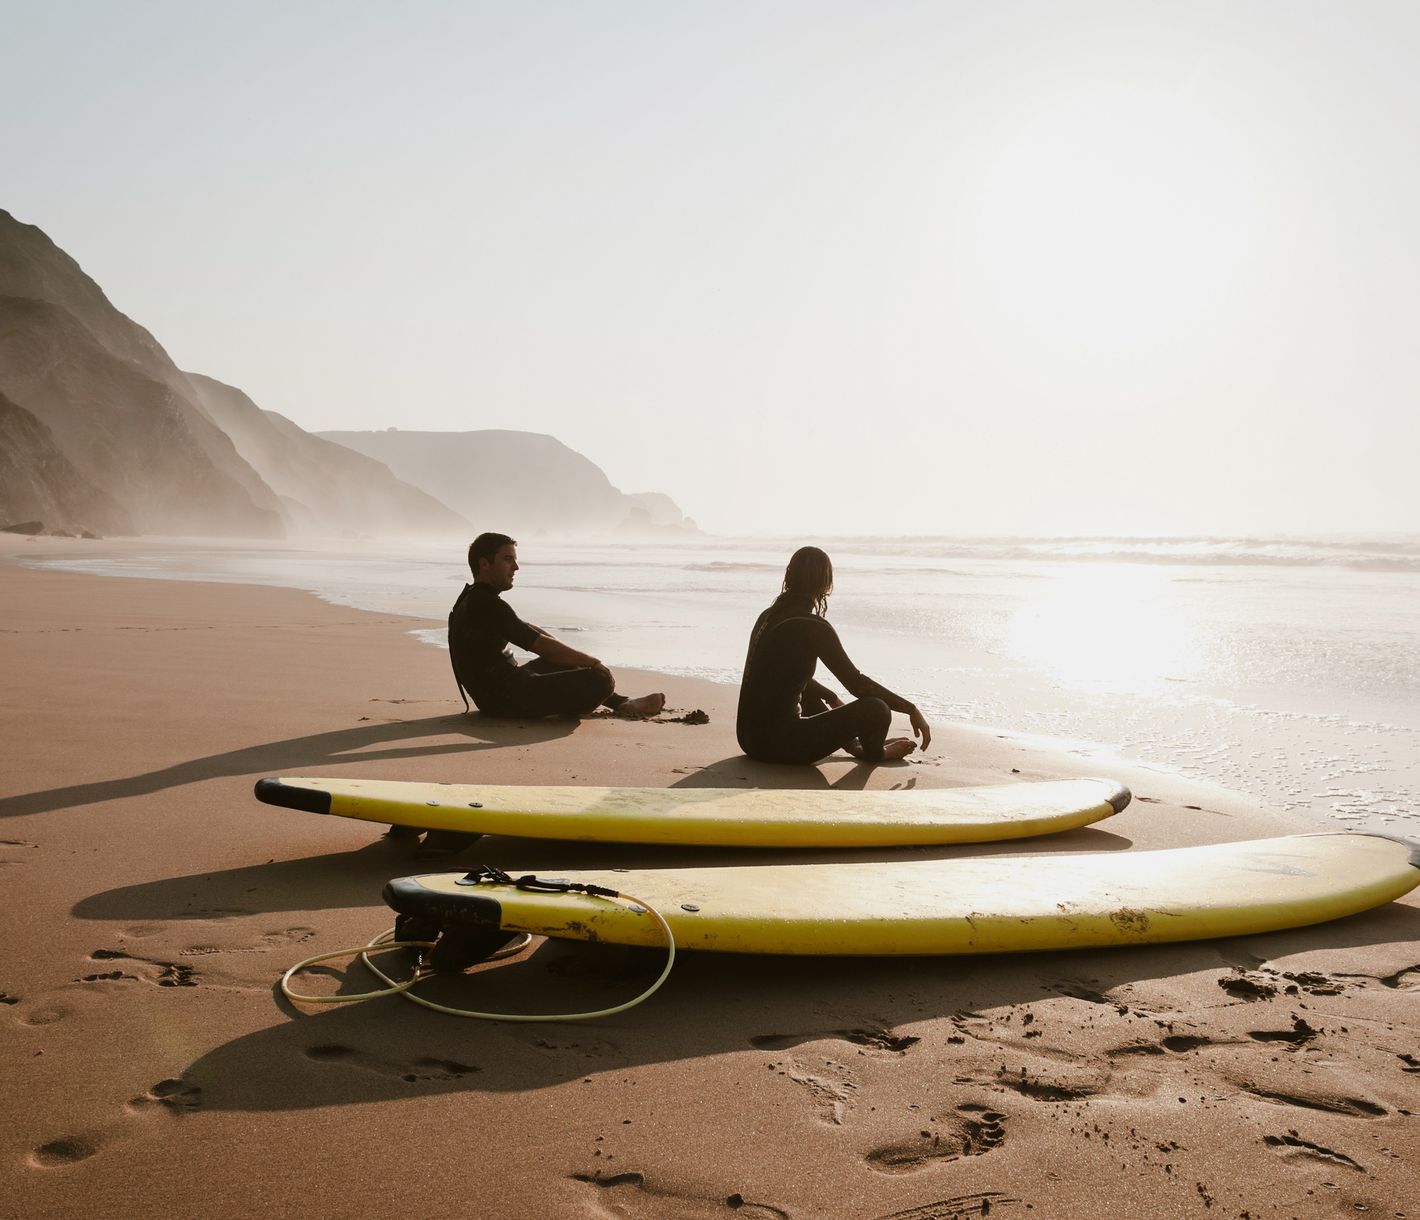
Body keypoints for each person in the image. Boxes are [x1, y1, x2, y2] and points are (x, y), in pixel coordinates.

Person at [736, 546, 931, 764]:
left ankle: (854, 745)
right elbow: (858, 685)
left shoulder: (767, 617)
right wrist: (910, 709)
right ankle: (876, 753)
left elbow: (783, 675)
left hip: (749, 740)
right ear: (826, 584)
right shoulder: (812, 626)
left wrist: (830, 697)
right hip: (782, 746)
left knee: (804, 691)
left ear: (788, 576)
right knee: (876, 708)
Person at [448, 532, 665, 720]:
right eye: (508, 559)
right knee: (601, 679)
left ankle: (623, 703)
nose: (516, 567)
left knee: (565, 660)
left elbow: (527, 629)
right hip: (504, 699)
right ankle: (607, 702)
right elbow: (538, 644)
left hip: (499, 693)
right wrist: (595, 663)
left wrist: (570, 657)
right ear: (484, 564)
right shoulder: (486, 604)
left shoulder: (474, 598)